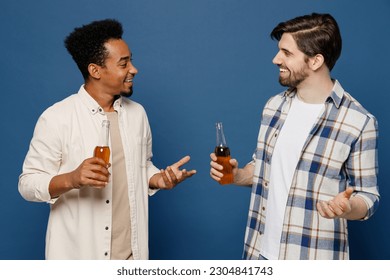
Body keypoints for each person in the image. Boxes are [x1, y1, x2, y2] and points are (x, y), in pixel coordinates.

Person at [18, 19, 196, 260]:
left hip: (132, 256)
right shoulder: (57, 117)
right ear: (95, 70)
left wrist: (157, 179)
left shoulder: (137, 114)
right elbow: (28, 184)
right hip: (80, 258)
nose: (134, 69)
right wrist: (72, 178)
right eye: (124, 64)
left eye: (131, 60)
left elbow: (139, 166)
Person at [210, 13, 379, 260]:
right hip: (259, 255)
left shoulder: (359, 121)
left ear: (315, 61)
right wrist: (236, 175)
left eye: (287, 53)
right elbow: (262, 168)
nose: (276, 59)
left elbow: (368, 196)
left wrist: (348, 207)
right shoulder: (274, 107)